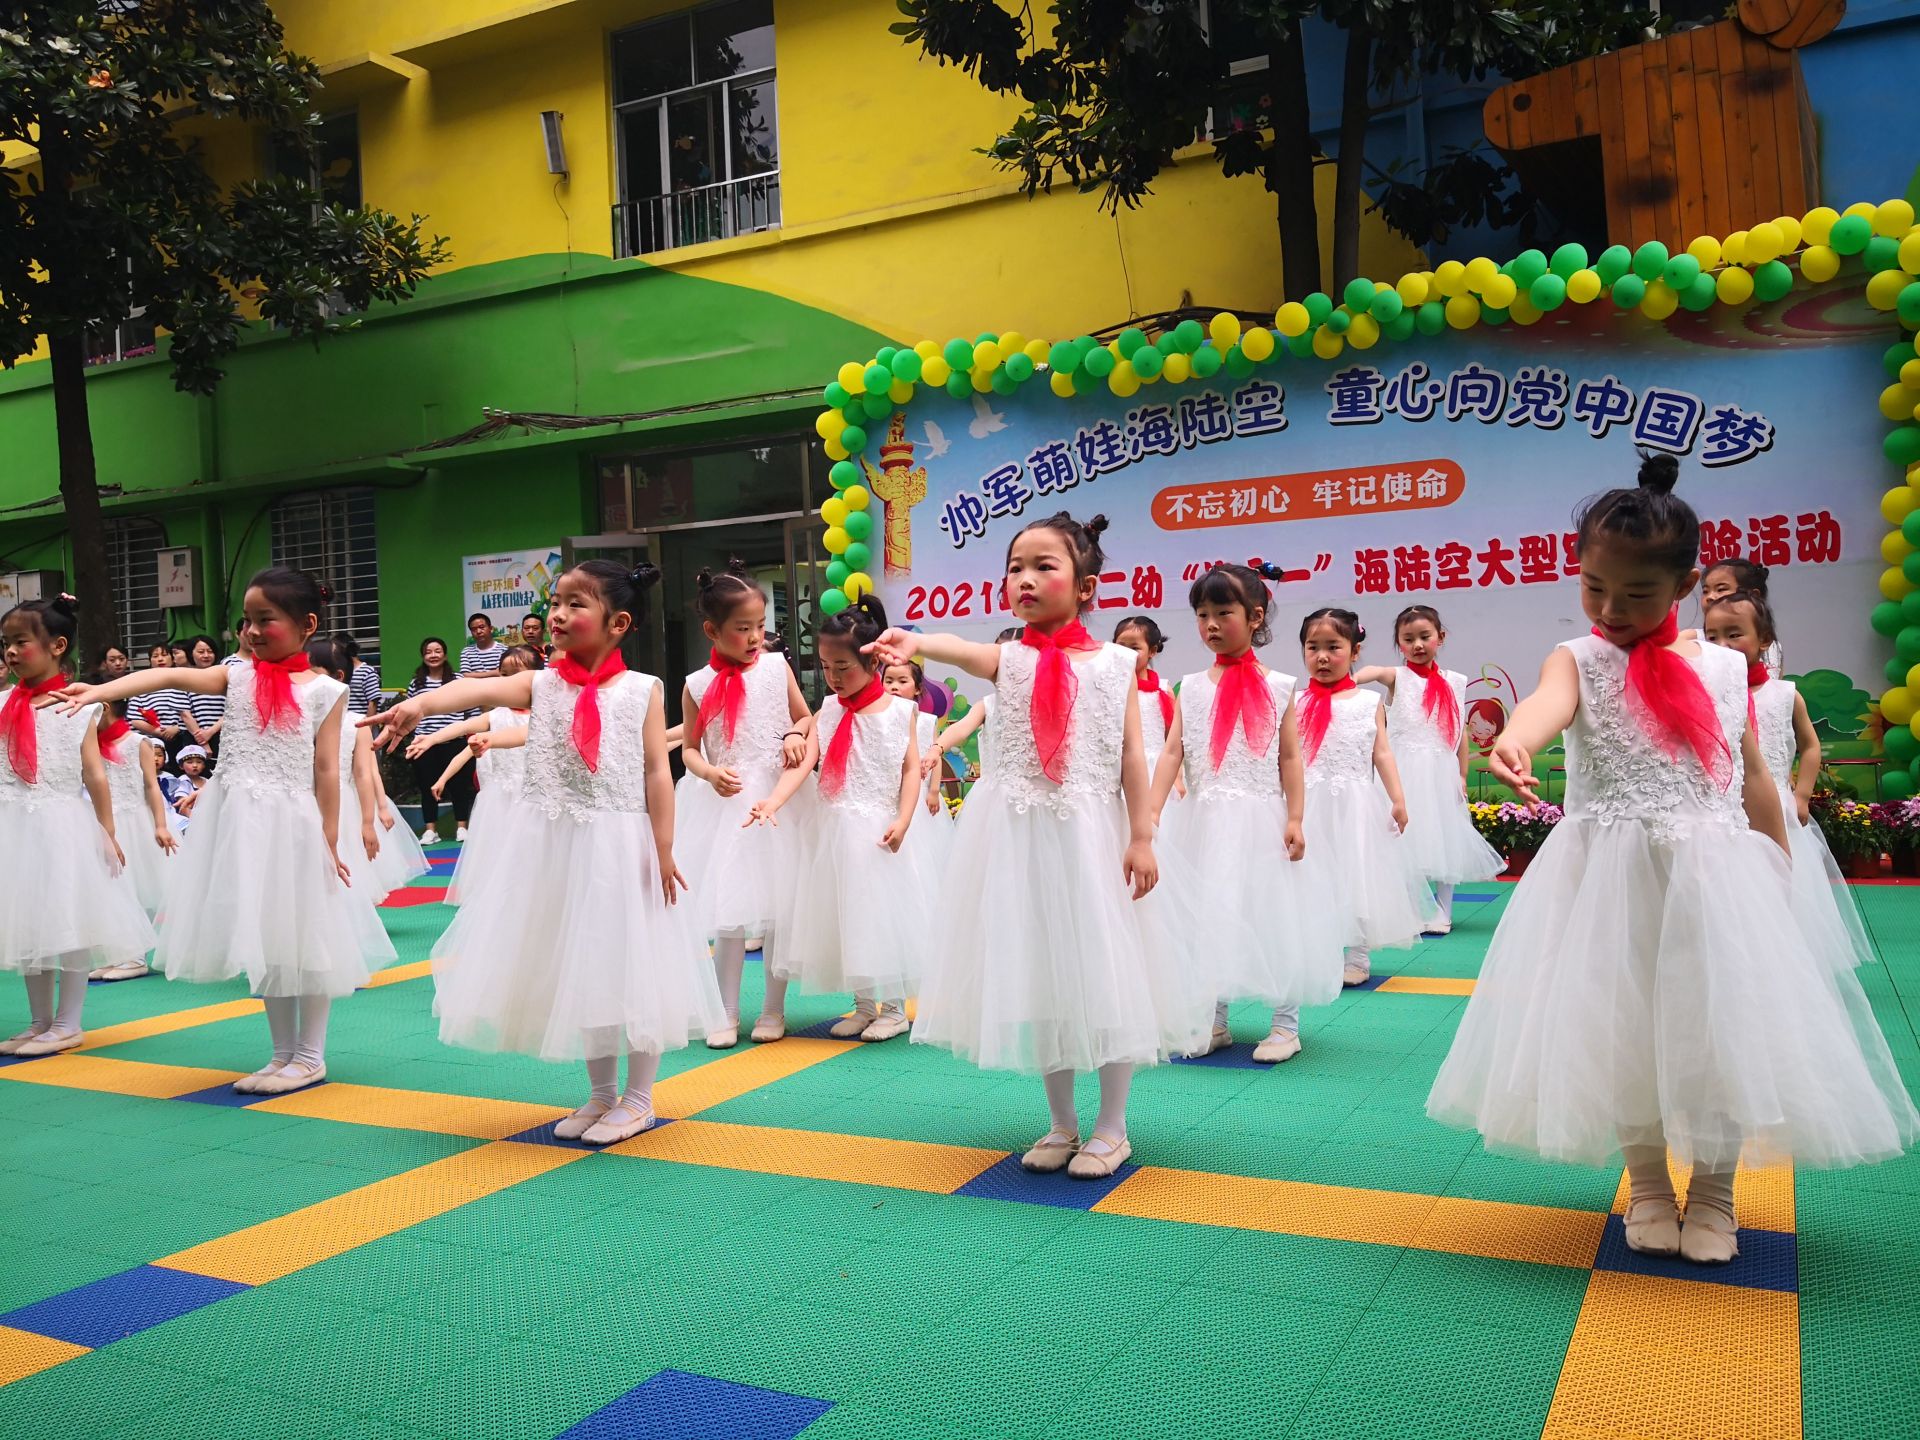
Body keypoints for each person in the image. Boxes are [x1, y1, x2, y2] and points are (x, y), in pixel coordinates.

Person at [1427, 452, 1917, 1265]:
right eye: (1594, 588)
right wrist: (1514, 738)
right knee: (1621, 1028)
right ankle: (1650, 1187)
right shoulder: (1576, 658)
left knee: (1721, 1027)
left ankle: (1717, 1195)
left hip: (1714, 875)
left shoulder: (1729, 668)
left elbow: (1755, 776)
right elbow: (1546, 706)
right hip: (1606, 880)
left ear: (1688, 586)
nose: (1611, 609)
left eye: (1638, 594)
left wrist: (1778, 870)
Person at [869, 512, 1212, 1180]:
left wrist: (1143, 836)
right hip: (1020, 842)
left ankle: (1112, 1128)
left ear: (1085, 586)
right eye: (1016, 567)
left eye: (1044, 566)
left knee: (1107, 973)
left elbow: (1133, 758)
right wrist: (914, 640)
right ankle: (1061, 1122)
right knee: (1041, 975)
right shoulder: (1010, 657)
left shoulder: (1118, 664)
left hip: (1092, 838)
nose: (1025, 578)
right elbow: (956, 649)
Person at [365, 560, 725, 1145]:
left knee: (631, 963)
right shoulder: (541, 684)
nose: (558, 614)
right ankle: (601, 1094)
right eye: (556, 602)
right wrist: (420, 706)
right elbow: (477, 688)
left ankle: (638, 1098)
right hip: (554, 847)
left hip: (618, 843)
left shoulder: (643, 690)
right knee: (578, 966)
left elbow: (660, 771)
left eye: (576, 604)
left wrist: (664, 847)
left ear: (618, 622)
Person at [59, 567, 392, 1095]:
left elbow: (326, 767)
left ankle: (310, 1055)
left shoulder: (327, 690)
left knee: (305, 934)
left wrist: (331, 836)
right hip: (238, 822)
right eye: (247, 621)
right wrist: (100, 689)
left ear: (307, 624)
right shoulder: (235, 675)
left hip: (291, 823)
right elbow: (163, 678)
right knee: (265, 933)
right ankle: (282, 1052)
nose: (253, 631)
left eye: (267, 620)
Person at [1151, 563, 1341, 1063]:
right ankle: (1213, 1021)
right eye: (1201, 614)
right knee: (1207, 915)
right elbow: (1173, 753)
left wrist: (1296, 817)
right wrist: (1148, 816)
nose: (1211, 624)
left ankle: (1285, 1025)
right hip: (1205, 823)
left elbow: (1290, 757)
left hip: (1261, 820)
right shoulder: (1189, 686)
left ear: (1255, 616)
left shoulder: (1280, 685)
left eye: (1223, 613)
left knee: (1273, 914)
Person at [750, 597, 925, 1042]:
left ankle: (893, 1008)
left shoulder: (900, 711)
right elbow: (806, 760)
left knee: (879, 916)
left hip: (876, 830)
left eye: (842, 666)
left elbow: (909, 768)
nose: (833, 676)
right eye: (826, 666)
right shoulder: (828, 710)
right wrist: (773, 801)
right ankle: (865, 1004)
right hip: (832, 828)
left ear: (874, 663)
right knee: (849, 921)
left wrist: (904, 819)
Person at [0, 597, 156, 1055]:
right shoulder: (4, 702)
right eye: (5, 643)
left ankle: (68, 1023)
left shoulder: (79, 705)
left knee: (67, 921)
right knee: (25, 923)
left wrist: (107, 832)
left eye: (20, 642)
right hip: (13, 824)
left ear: (56, 646)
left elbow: (94, 773)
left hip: (61, 824)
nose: (10, 651)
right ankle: (39, 1021)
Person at [675, 560, 815, 1047]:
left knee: (780, 910)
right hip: (726, 805)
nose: (756, 637)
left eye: (760, 626)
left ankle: (774, 1010)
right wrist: (710, 771)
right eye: (743, 629)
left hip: (779, 801)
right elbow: (691, 748)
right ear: (712, 630)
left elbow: (805, 717)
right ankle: (725, 1011)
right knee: (729, 914)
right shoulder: (695, 683)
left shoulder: (777, 667)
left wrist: (796, 733)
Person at [1704, 590, 1872, 973]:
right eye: (1712, 637)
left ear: (1764, 640)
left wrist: (1801, 794)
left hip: (1777, 809)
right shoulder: (1707, 693)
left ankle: (1790, 973)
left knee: (1783, 891)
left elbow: (1810, 747)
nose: (1722, 645)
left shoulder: (1784, 694)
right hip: (1725, 813)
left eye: (1734, 634)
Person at [1298, 608, 1437, 986]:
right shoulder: (1294, 702)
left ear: (1354, 652)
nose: (1323, 657)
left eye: (1333, 647)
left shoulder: (1367, 701)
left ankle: (1357, 955)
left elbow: (1382, 752)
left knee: (1356, 874)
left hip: (1355, 804)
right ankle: (1318, 950)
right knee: (1310, 878)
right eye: (1313, 647)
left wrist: (1397, 797)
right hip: (1307, 803)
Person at [1354, 606, 1504, 935]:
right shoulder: (1398, 677)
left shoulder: (1455, 681)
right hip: (1403, 772)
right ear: (1399, 643)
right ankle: (1413, 910)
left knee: (1443, 841)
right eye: (1408, 639)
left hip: (1440, 769)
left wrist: (1462, 774)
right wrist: (1347, 681)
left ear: (1440, 637)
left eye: (1425, 637)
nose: (1418, 644)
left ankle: (1442, 913)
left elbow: (1459, 734)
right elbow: (1375, 671)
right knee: (1402, 842)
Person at [430, 647, 536, 904]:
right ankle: (497, 895)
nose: (508, 683)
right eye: (504, 675)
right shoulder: (496, 716)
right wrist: (434, 749)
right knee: (498, 847)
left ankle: (529, 893)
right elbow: (463, 737)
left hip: (534, 797)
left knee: (530, 848)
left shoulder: (545, 715)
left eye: (516, 676)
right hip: (500, 798)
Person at [91, 692, 177, 976]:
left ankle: (135, 958)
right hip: (103, 822)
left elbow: (151, 786)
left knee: (129, 886)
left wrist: (161, 824)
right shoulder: (91, 745)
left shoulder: (137, 742)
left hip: (134, 819)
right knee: (109, 888)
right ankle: (119, 953)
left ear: (104, 708)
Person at [884, 658, 954, 866]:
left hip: (920, 793)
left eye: (902, 681)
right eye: (888, 681)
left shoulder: (926, 720)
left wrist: (933, 791)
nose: (894, 686)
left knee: (921, 850)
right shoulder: (881, 718)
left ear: (917, 688)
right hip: (891, 792)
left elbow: (936, 757)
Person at [405, 637, 475, 842]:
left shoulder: (458, 680)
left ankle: (461, 827)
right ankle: (430, 830)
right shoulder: (416, 683)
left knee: (458, 786)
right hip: (424, 743)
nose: (433, 655)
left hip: (454, 741)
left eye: (437, 651)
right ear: (423, 656)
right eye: (428, 652)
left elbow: (470, 709)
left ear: (444, 654)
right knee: (427, 786)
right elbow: (410, 712)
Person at [133, 641, 191, 749]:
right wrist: (157, 731)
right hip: (151, 741)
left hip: (183, 738)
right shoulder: (141, 684)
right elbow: (135, 719)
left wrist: (177, 728)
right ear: (149, 661)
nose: (160, 659)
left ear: (172, 658)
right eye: (155, 656)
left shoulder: (184, 680)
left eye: (164, 655)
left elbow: (194, 711)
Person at [335, 632, 385, 717]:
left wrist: (368, 727)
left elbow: (373, 703)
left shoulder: (367, 671)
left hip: (361, 724)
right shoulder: (338, 673)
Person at [162, 745, 211, 824]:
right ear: (181, 766)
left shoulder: (207, 781)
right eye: (190, 762)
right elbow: (182, 803)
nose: (195, 765)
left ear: (204, 765)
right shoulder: (182, 781)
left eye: (199, 762)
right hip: (189, 818)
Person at [460, 614, 505, 678]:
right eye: (474, 629)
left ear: (491, 629)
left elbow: (501, 672)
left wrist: (475, 674)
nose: (478, 631)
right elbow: (465, 675)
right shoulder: (466, 652)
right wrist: (493, 673)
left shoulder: (503, 649)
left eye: (481, 627)